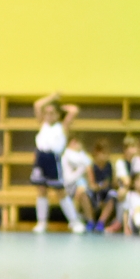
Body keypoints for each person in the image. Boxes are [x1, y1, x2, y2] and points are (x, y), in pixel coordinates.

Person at [31, 95, 85, 234]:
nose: (49, 115)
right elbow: (37, 105)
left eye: (52, 113)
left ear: (58, 114)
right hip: (41, 157)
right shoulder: (43, 124)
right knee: (41, 190)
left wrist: (60, 106)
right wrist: (52, 97)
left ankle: (74, 221)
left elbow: (74, 110)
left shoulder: (62, 126)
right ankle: (42, 222)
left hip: (53, 159)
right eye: (47, 113)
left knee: (60, 191)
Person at [85, 139, 118, 231]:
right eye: (103, 153)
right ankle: (90, 221)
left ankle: (101, 222)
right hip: (95, 193)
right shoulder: (91, 167)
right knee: (83, 194)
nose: (105, 156)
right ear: (97, 153)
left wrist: (115, 183)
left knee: (113, 195)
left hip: (106, 194)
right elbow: (91, 185)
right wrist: (101, 186)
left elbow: (114, 183)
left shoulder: (110, 166)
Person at [62, 135, 94, 225]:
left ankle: (90, 220)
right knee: (80, 193)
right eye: (73, 142)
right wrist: (83, 167)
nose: (76, 144)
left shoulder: (81, 154)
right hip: (69, 184)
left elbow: (89, 163)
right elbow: (84, 164)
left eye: (77, 142)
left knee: (82, 194)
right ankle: (74, 219)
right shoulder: (67, 154)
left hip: (81, 185)